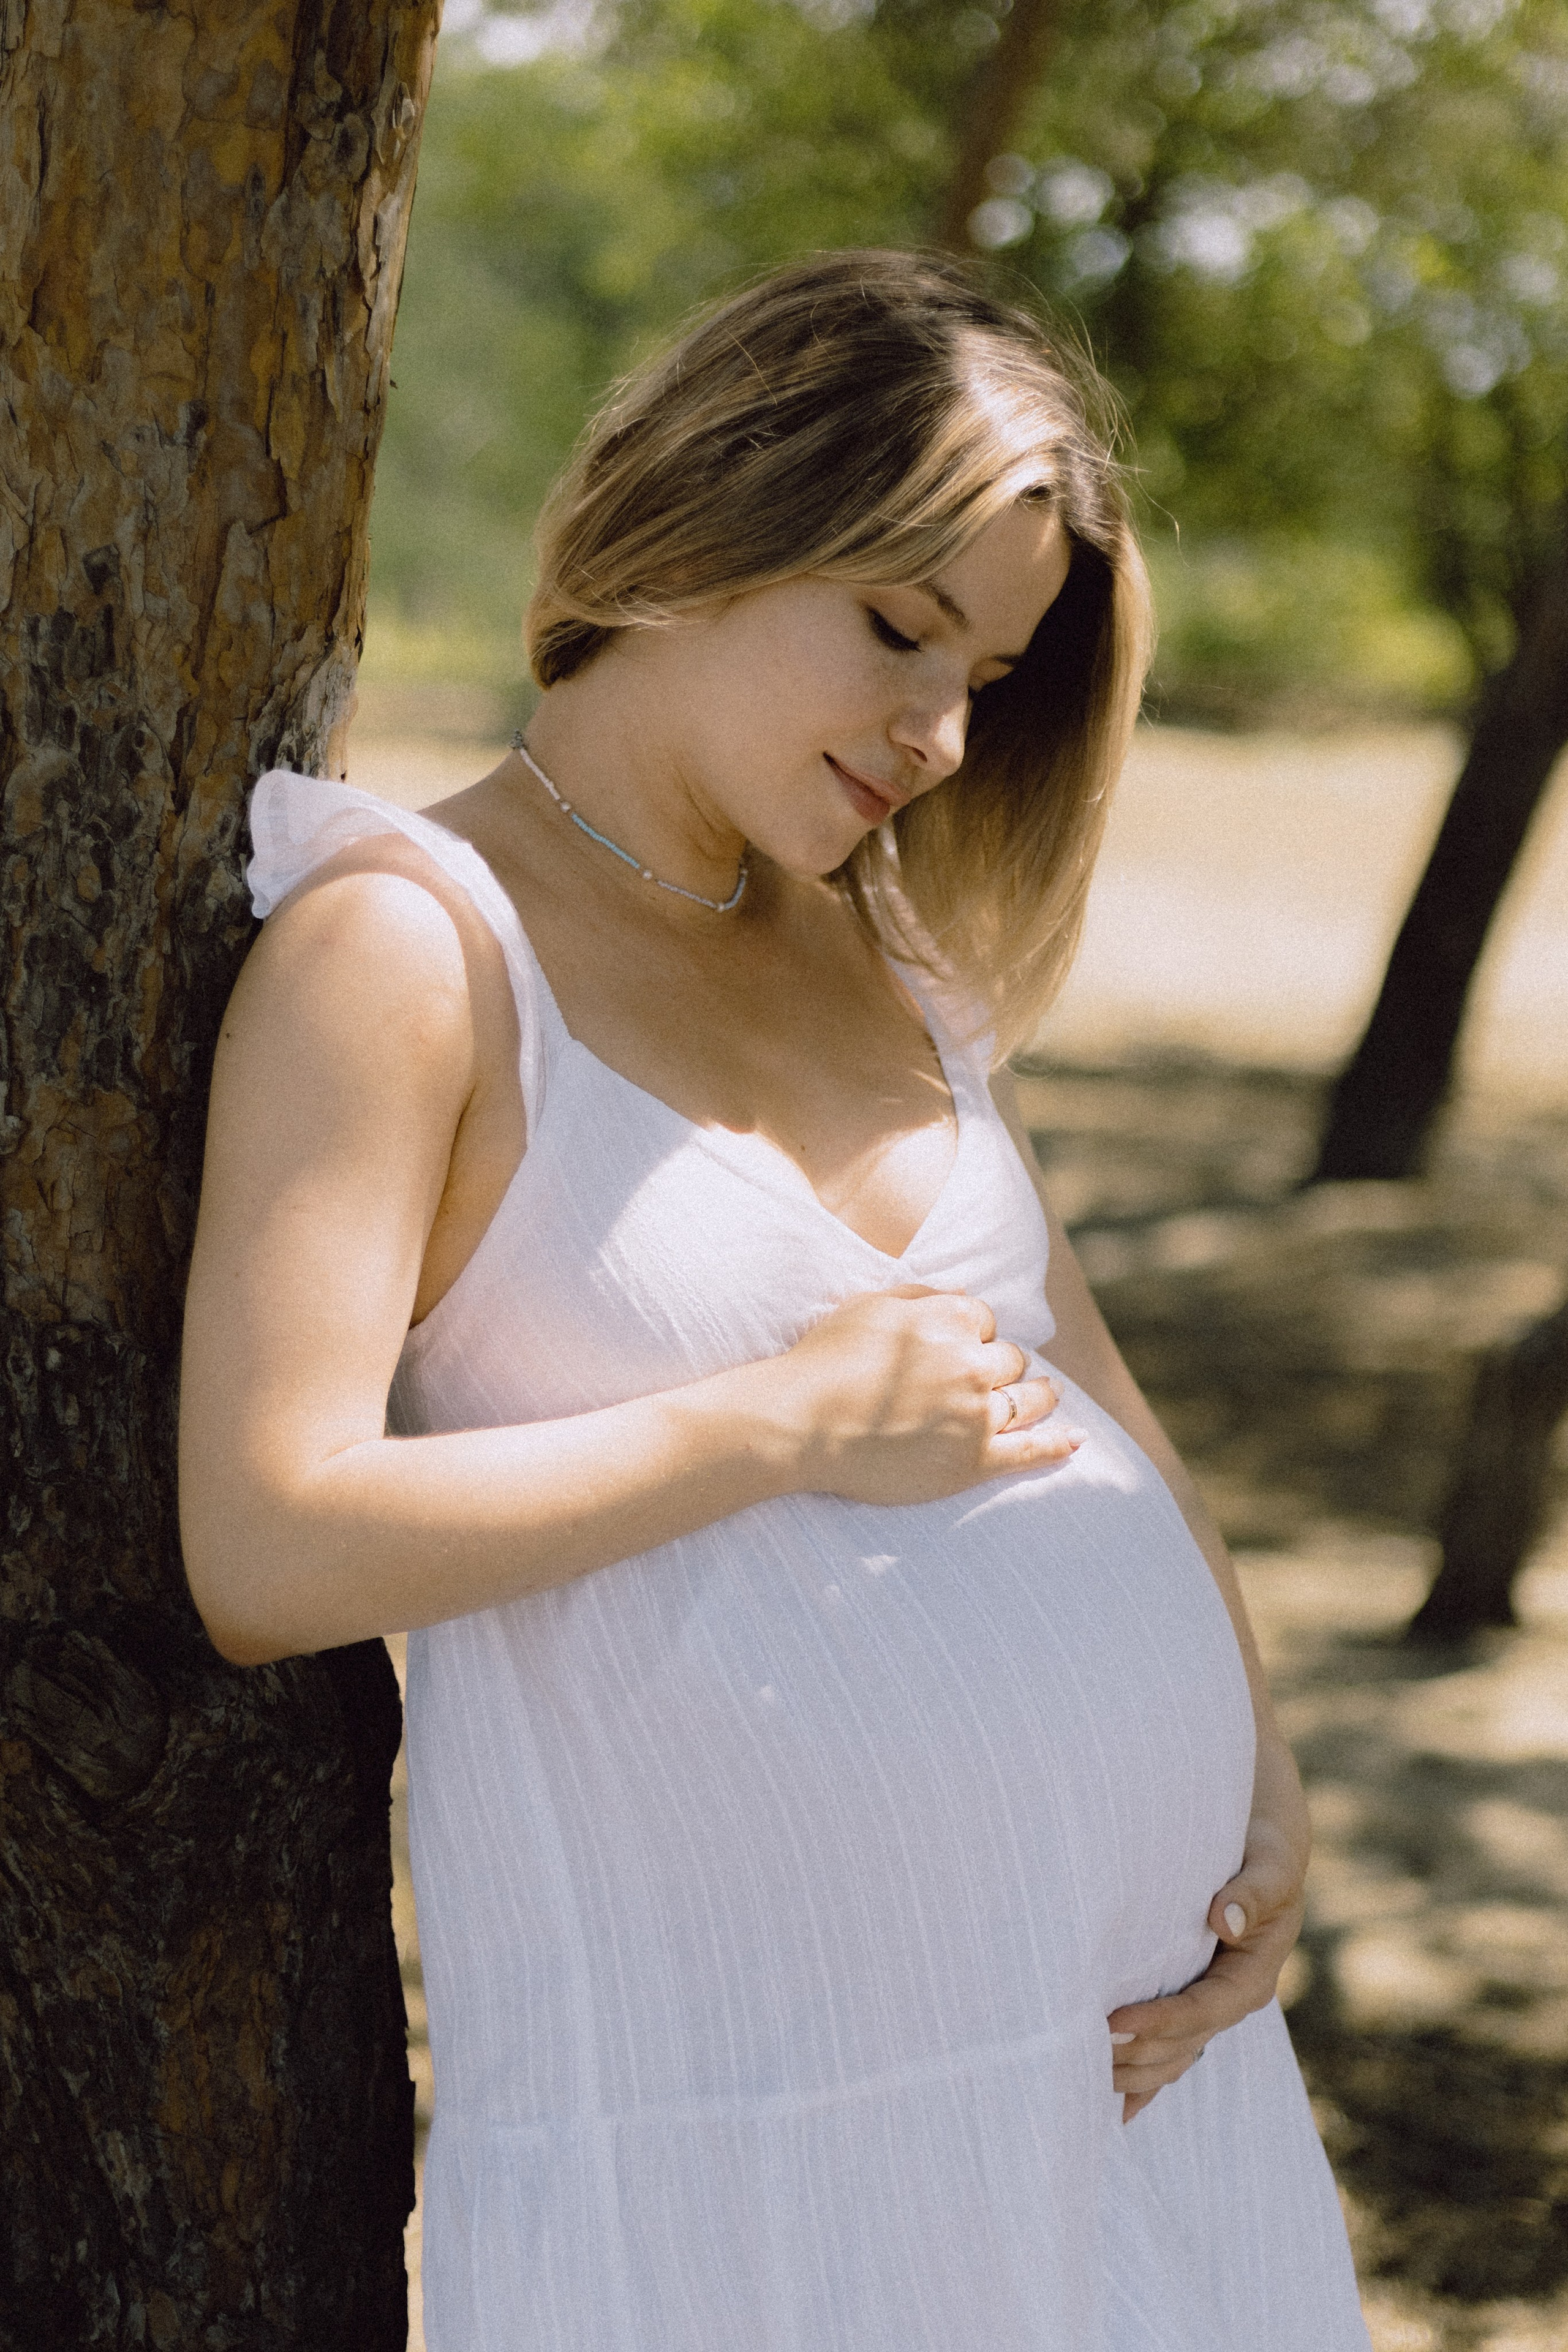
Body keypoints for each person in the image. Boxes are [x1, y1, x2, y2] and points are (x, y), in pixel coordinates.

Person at [179, 250, 1370, 2350]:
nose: (936, 733)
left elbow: (1095, 1389)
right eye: (901, 631)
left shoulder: (879, 947)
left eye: (988, 674)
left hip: (1126, 2093)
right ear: (699, 523)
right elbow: (268, 1540)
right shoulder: (406, 952)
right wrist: (775, 1429)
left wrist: (1259, 1779)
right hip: (766, 2160)